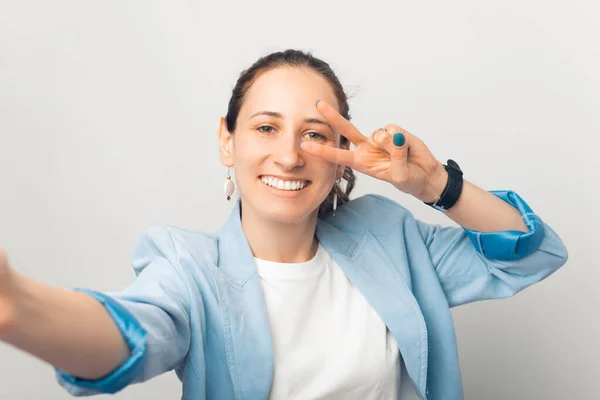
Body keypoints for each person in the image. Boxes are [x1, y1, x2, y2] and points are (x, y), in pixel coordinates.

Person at [0, 49, 568, 400]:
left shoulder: (390, 237)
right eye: (266, 128)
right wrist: (19, 307)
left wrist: (434, 185)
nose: (291, 156)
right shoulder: (188, 267)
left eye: (315, 134)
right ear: (228, 139)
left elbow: (531, 254)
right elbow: (131, 335)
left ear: (342, 150)